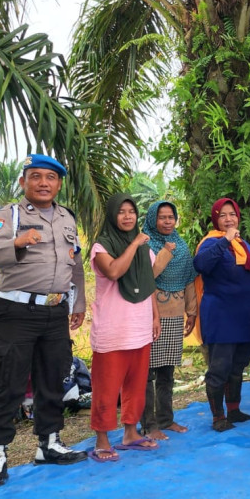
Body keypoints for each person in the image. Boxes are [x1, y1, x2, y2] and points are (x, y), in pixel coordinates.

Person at [0, 154, 87, 489]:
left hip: (55, 312)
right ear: (23, 182)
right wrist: (16, 243)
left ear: (59, 184)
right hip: (15, 312)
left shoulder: (66, 218)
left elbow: (74, 264)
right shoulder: (9, 215)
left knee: (52, 378)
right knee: (5, 382)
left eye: (50, 178)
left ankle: (48, 444)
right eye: (35, 177)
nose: (43, 183)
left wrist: (77, 302)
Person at [90, 194, 161, 461]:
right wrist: (134, 245)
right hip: (112, 329)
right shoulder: (102, 246)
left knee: (136, 384)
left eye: (131, 211)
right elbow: (114, 272)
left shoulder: (146, 249)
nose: (128, 216)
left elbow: (148, 284)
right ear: (112, 215)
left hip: (140, 327)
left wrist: (155, 317)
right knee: (106, 388)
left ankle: (131, 433)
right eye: (121, 212)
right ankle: (102, 439)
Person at [194, 198, 250, 431]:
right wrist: (225, 240)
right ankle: (218, 417)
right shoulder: (211, 242)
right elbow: (201, 264)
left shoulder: (243, 244)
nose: (229, 219)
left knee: (238, 366)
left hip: (243, 316)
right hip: (221, 316)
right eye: (223, 215)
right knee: (219, 367)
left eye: (232, 214)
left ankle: (234, 410)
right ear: (215, 218)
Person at [139, 200, 198, 441]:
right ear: (153, 219)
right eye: (161, 217)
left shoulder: (181, 246)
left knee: (167, 371)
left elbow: (189, 280)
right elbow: (148, 276)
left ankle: (165, 418)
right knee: (147, 372)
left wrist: (192, 312)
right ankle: (149, 424)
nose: (166, 222)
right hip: (151, 315)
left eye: (170, 217)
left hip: (174, 314)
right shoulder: (144, 243)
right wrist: (165, 252)